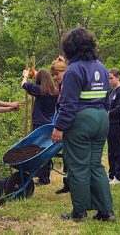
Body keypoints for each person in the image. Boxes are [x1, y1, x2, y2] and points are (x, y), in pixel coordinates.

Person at [52, 28, 114, 222]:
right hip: (101, 118)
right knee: (95, 164)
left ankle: (79, 212)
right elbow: (106, 100)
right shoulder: (101, 67)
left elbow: (68, 104)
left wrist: (59, 127)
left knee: (78, 167)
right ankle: (106, 211)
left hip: (81, 121)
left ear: (70, 48)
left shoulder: (74, 70)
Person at [22, 69, 59, 186]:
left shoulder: (39, 90)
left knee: (37, 150)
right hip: (49, 124)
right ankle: (45, 177)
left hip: (38, 124)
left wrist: (25, 76)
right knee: (46, 150)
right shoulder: (55, 91)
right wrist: (36, 74)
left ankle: (41, 177)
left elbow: (24, 84)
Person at [50, 56, 70, 194]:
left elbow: (67, 106)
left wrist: (60, 127)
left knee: (70, 157)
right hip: (63, 122)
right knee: (67, 156)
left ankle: (71, 184)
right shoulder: (62, 84)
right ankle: (67, 184)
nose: (55, 77)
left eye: (56, 74)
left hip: (69, 124)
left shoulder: (70, 83)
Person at [107, 68, 120, 185]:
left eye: (111, 78)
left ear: (118, 78)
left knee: (118, 150)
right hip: (109, 124)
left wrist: (107, 113)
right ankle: (111, 173)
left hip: (117, 125)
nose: (109, 80)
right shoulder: (111, 92)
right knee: (111, 150)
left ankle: (119, 176)